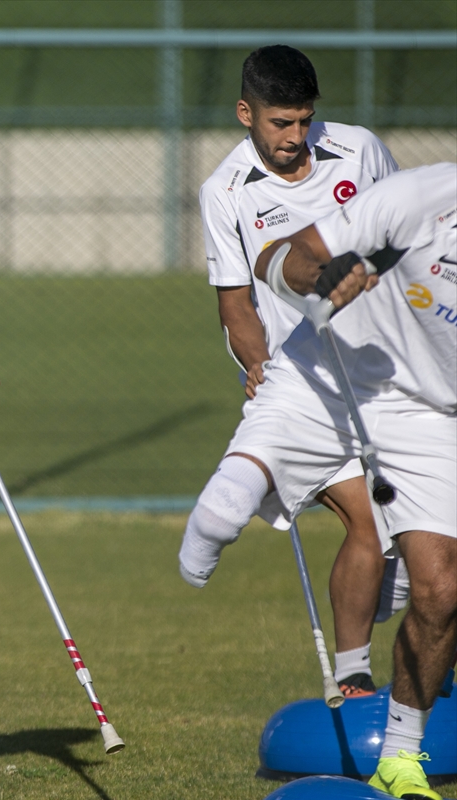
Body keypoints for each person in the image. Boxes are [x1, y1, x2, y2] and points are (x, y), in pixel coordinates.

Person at [181, 162, 456, 800]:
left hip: (432, 414)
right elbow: (280, 256)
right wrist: (320, 279)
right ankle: (211, 530)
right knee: (224, 512)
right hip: (330, 369)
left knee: (442, 591)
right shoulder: (423, 195)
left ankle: (398, 760)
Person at [195, 45, 404, 698]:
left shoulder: (361, 150)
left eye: (304, 121)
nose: (294, 137)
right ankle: (355, 683)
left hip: (389, 370)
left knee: (418, 538)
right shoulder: (224, 192)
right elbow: (235, 304)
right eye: (280, 123)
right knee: (368, 522)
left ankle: (421, 666)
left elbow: (403, 234)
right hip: (305, 387)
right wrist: (256, 364)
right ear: (245, 114)